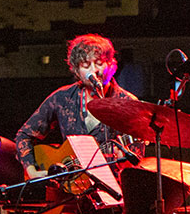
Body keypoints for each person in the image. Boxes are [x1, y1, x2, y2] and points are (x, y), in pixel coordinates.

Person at [15, 33, 139, 186]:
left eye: (99, 63)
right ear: (77, 70)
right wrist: (32, 171)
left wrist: (122, 158)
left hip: (113, 191)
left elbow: (135, 164)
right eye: (86, 66)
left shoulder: (128, 103)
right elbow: (24, 135)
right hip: (68, 192)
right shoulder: (62, 98)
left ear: (111, 65)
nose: (94, 71)